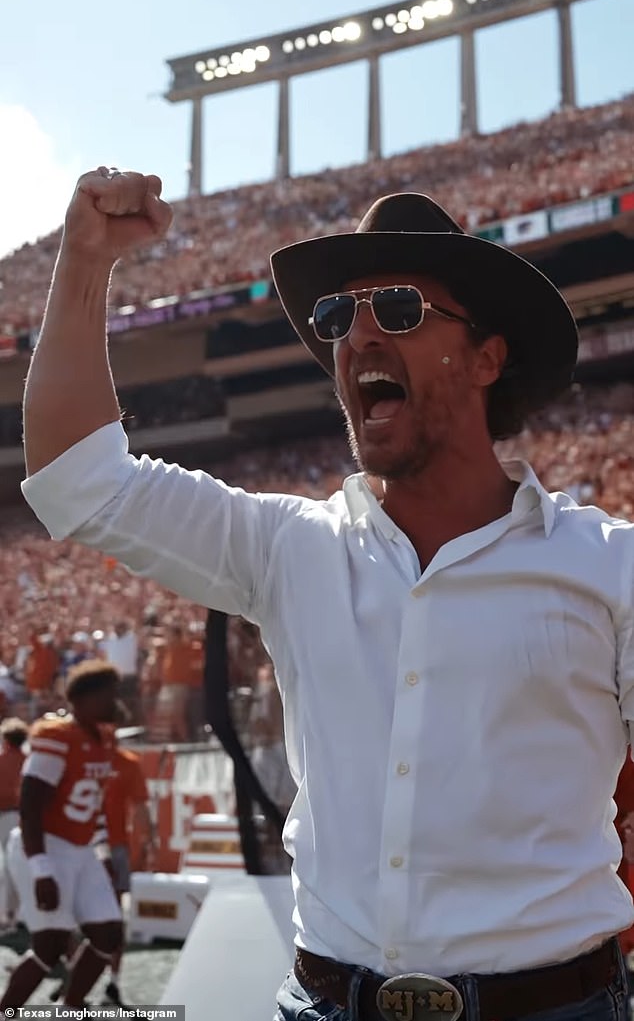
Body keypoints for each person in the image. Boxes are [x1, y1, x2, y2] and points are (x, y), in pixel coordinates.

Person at [19, 167, 634, 1021]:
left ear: (488, 356)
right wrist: (85, 263)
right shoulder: (289, 545)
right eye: (338, 317)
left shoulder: (607, 567)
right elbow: (73, 479)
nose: (360, 335)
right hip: (322, 1001)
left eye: (401, 309)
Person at [0, 660, 123, 1010]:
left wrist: (99, 852)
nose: (115, 702)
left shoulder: (103, 738)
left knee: (108, 933)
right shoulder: (56, 736)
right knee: (49, 944)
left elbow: (91, 801)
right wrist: (40, 868)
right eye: (108, 695)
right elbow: (30, 803)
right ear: (82, 699)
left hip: (80, 849)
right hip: (45, 845)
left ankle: (69, 1008)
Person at [97, 739, 156, 1006]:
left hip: (112, 846)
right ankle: (75, 980)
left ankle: (112, 980)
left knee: (113, 914)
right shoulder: (73, 751)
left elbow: (141, 806)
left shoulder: (127, 762)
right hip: (77, 847)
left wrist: (148, 840)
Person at [0, 717, 29, 930]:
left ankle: (10, 913)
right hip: (26, 817)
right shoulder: (29, 759)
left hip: (6, 816)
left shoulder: (2, 761)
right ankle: (19, 912)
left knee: (10, 867)